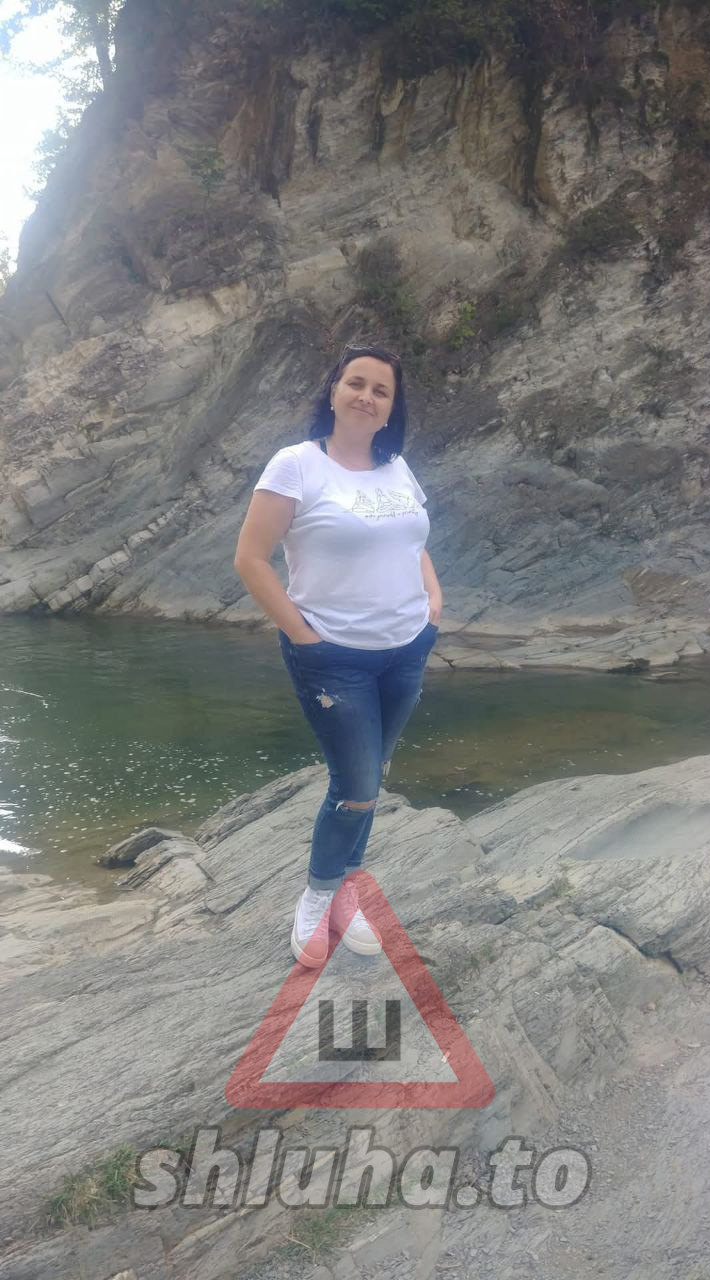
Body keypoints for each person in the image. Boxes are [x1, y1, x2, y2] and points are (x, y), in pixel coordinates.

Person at [233, 343, 442, 968]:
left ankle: (347, 891)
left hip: (406, 648)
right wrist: (304, 637)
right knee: (355, 787)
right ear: (333, 390)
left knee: (371, 777)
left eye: (381, 390)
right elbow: (250, 559)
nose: (367, 397)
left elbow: (414, 541)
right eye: (356, 383)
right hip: (334, 657)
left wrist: (433, 604)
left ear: (392, 407)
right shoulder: (297, 465)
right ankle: (318, 898)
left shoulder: (397, 468)